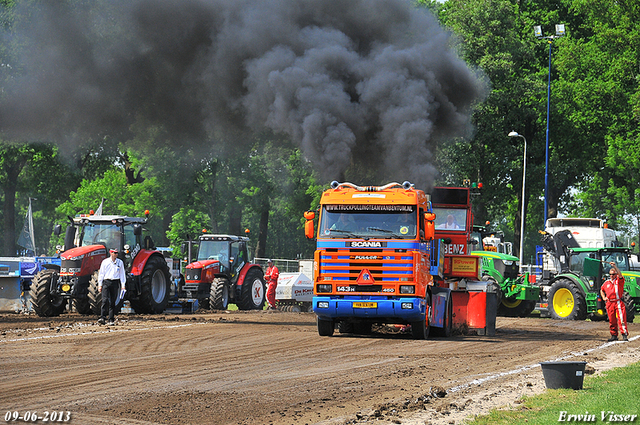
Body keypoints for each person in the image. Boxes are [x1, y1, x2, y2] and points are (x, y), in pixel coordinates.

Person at [600, 262, 629, 342]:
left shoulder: (619, 281)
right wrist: (604, 297)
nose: (611, 276)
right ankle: (614, 335)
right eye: (610, 274)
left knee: (621, 319)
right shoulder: (606, 283)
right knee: (611, 319)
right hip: (609, 303)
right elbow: (601, 290)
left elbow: (620, 275)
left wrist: (615, 266)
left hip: (618, 302)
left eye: (613, 274)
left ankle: (624, 334)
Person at [97, 248, 126, 326]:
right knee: (105, 300)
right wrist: (100, 284)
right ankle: (102, 317)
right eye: (114, 253)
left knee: (112, 301)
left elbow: (122, 274)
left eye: (116, 253)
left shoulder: (120, 262)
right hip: (106, 282)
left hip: (115, 282)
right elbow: (101, 273)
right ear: (110, 253)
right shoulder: (105, 262)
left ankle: (111, 319)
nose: (115, 254)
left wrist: (123, 285)